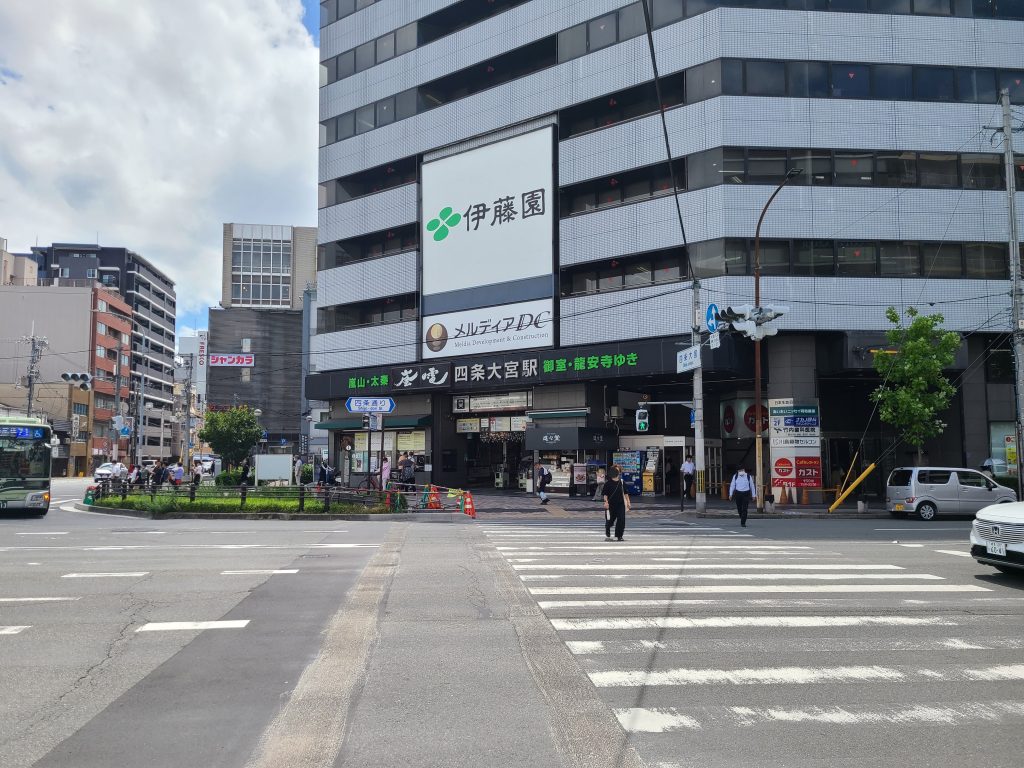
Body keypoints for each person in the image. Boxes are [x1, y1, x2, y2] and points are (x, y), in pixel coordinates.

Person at [602, 465, 630, 541]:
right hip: (610, 505)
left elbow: (626, 493)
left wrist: (628, 502)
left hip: (620, 504)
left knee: (621, 520)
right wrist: (606, 502)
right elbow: (605, 495)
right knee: (610, 520)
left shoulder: (622, 482)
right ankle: (607, 526)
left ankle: (619, 535)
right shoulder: (607, 483)